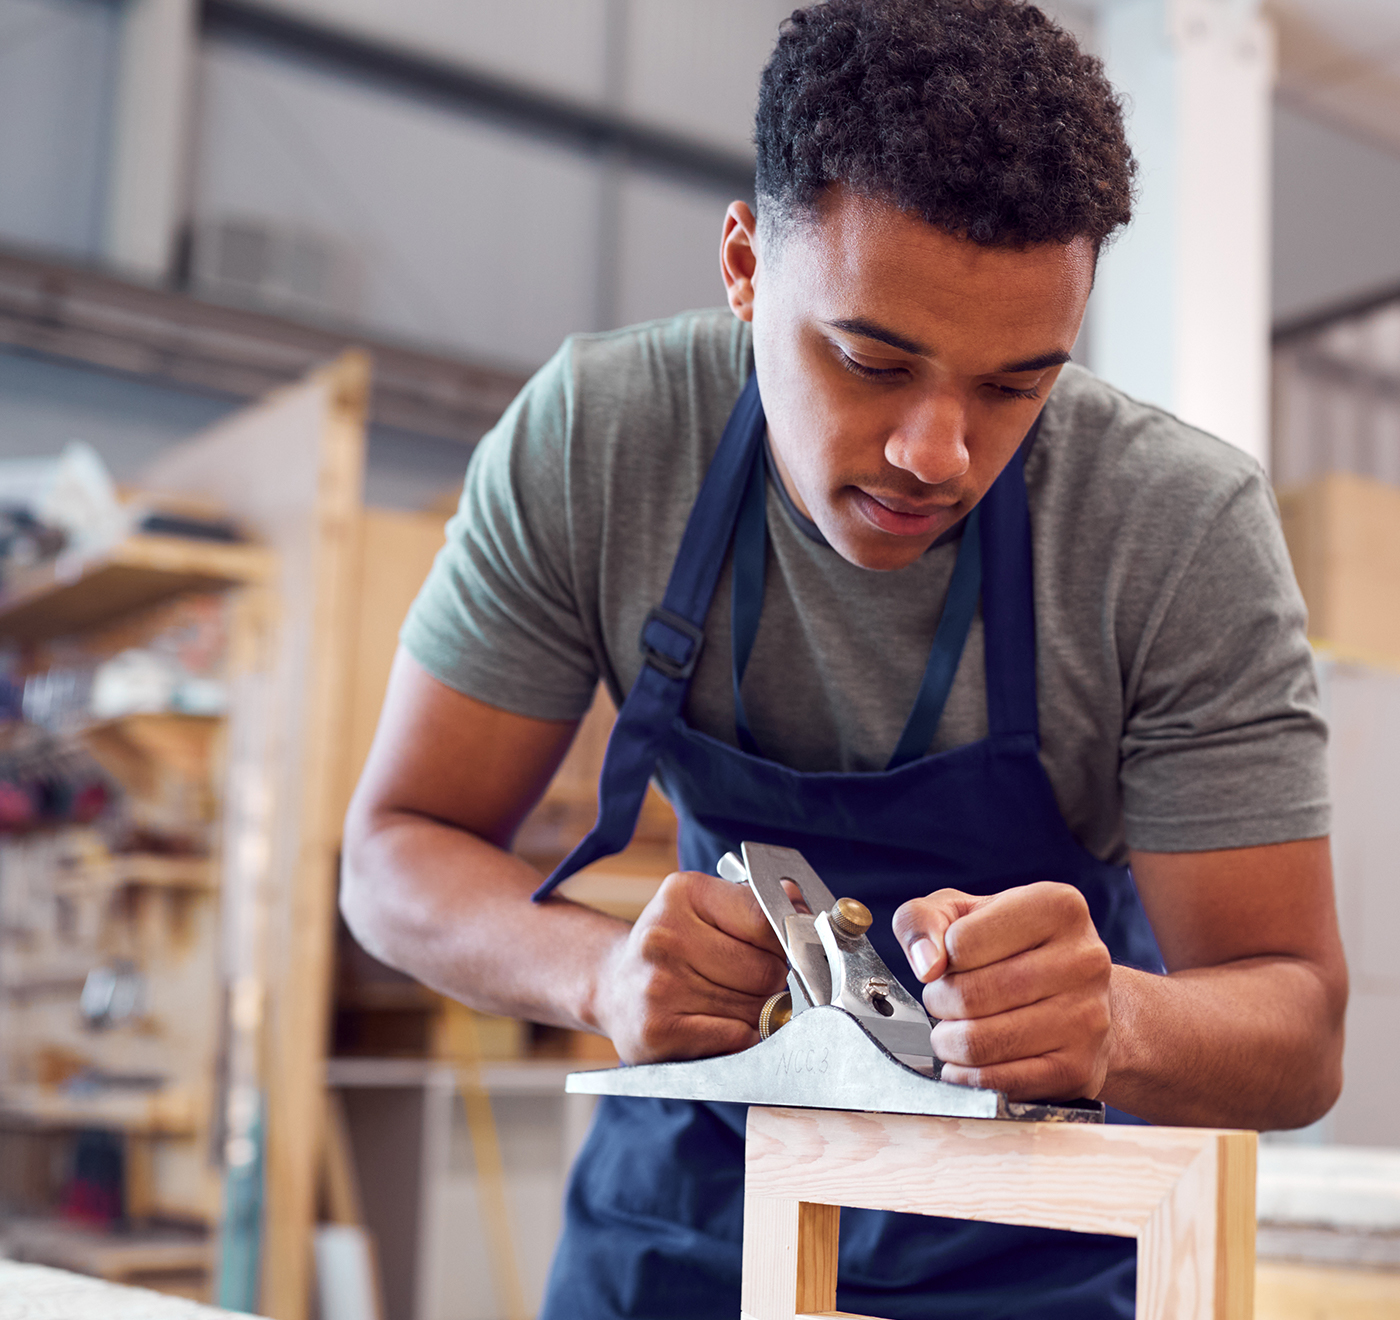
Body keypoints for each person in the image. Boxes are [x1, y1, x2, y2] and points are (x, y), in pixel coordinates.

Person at [339, 1, 1346, 1316]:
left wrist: (1116, 1023)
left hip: (1038, 1242)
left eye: (1015, 386)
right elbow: (393, 851)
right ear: (747, 264)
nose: (939, 453)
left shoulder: (1173, 530)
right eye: (874, 359)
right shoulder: (598, 443)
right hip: (691, 1216)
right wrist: (593, 973)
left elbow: (1301, 1028)